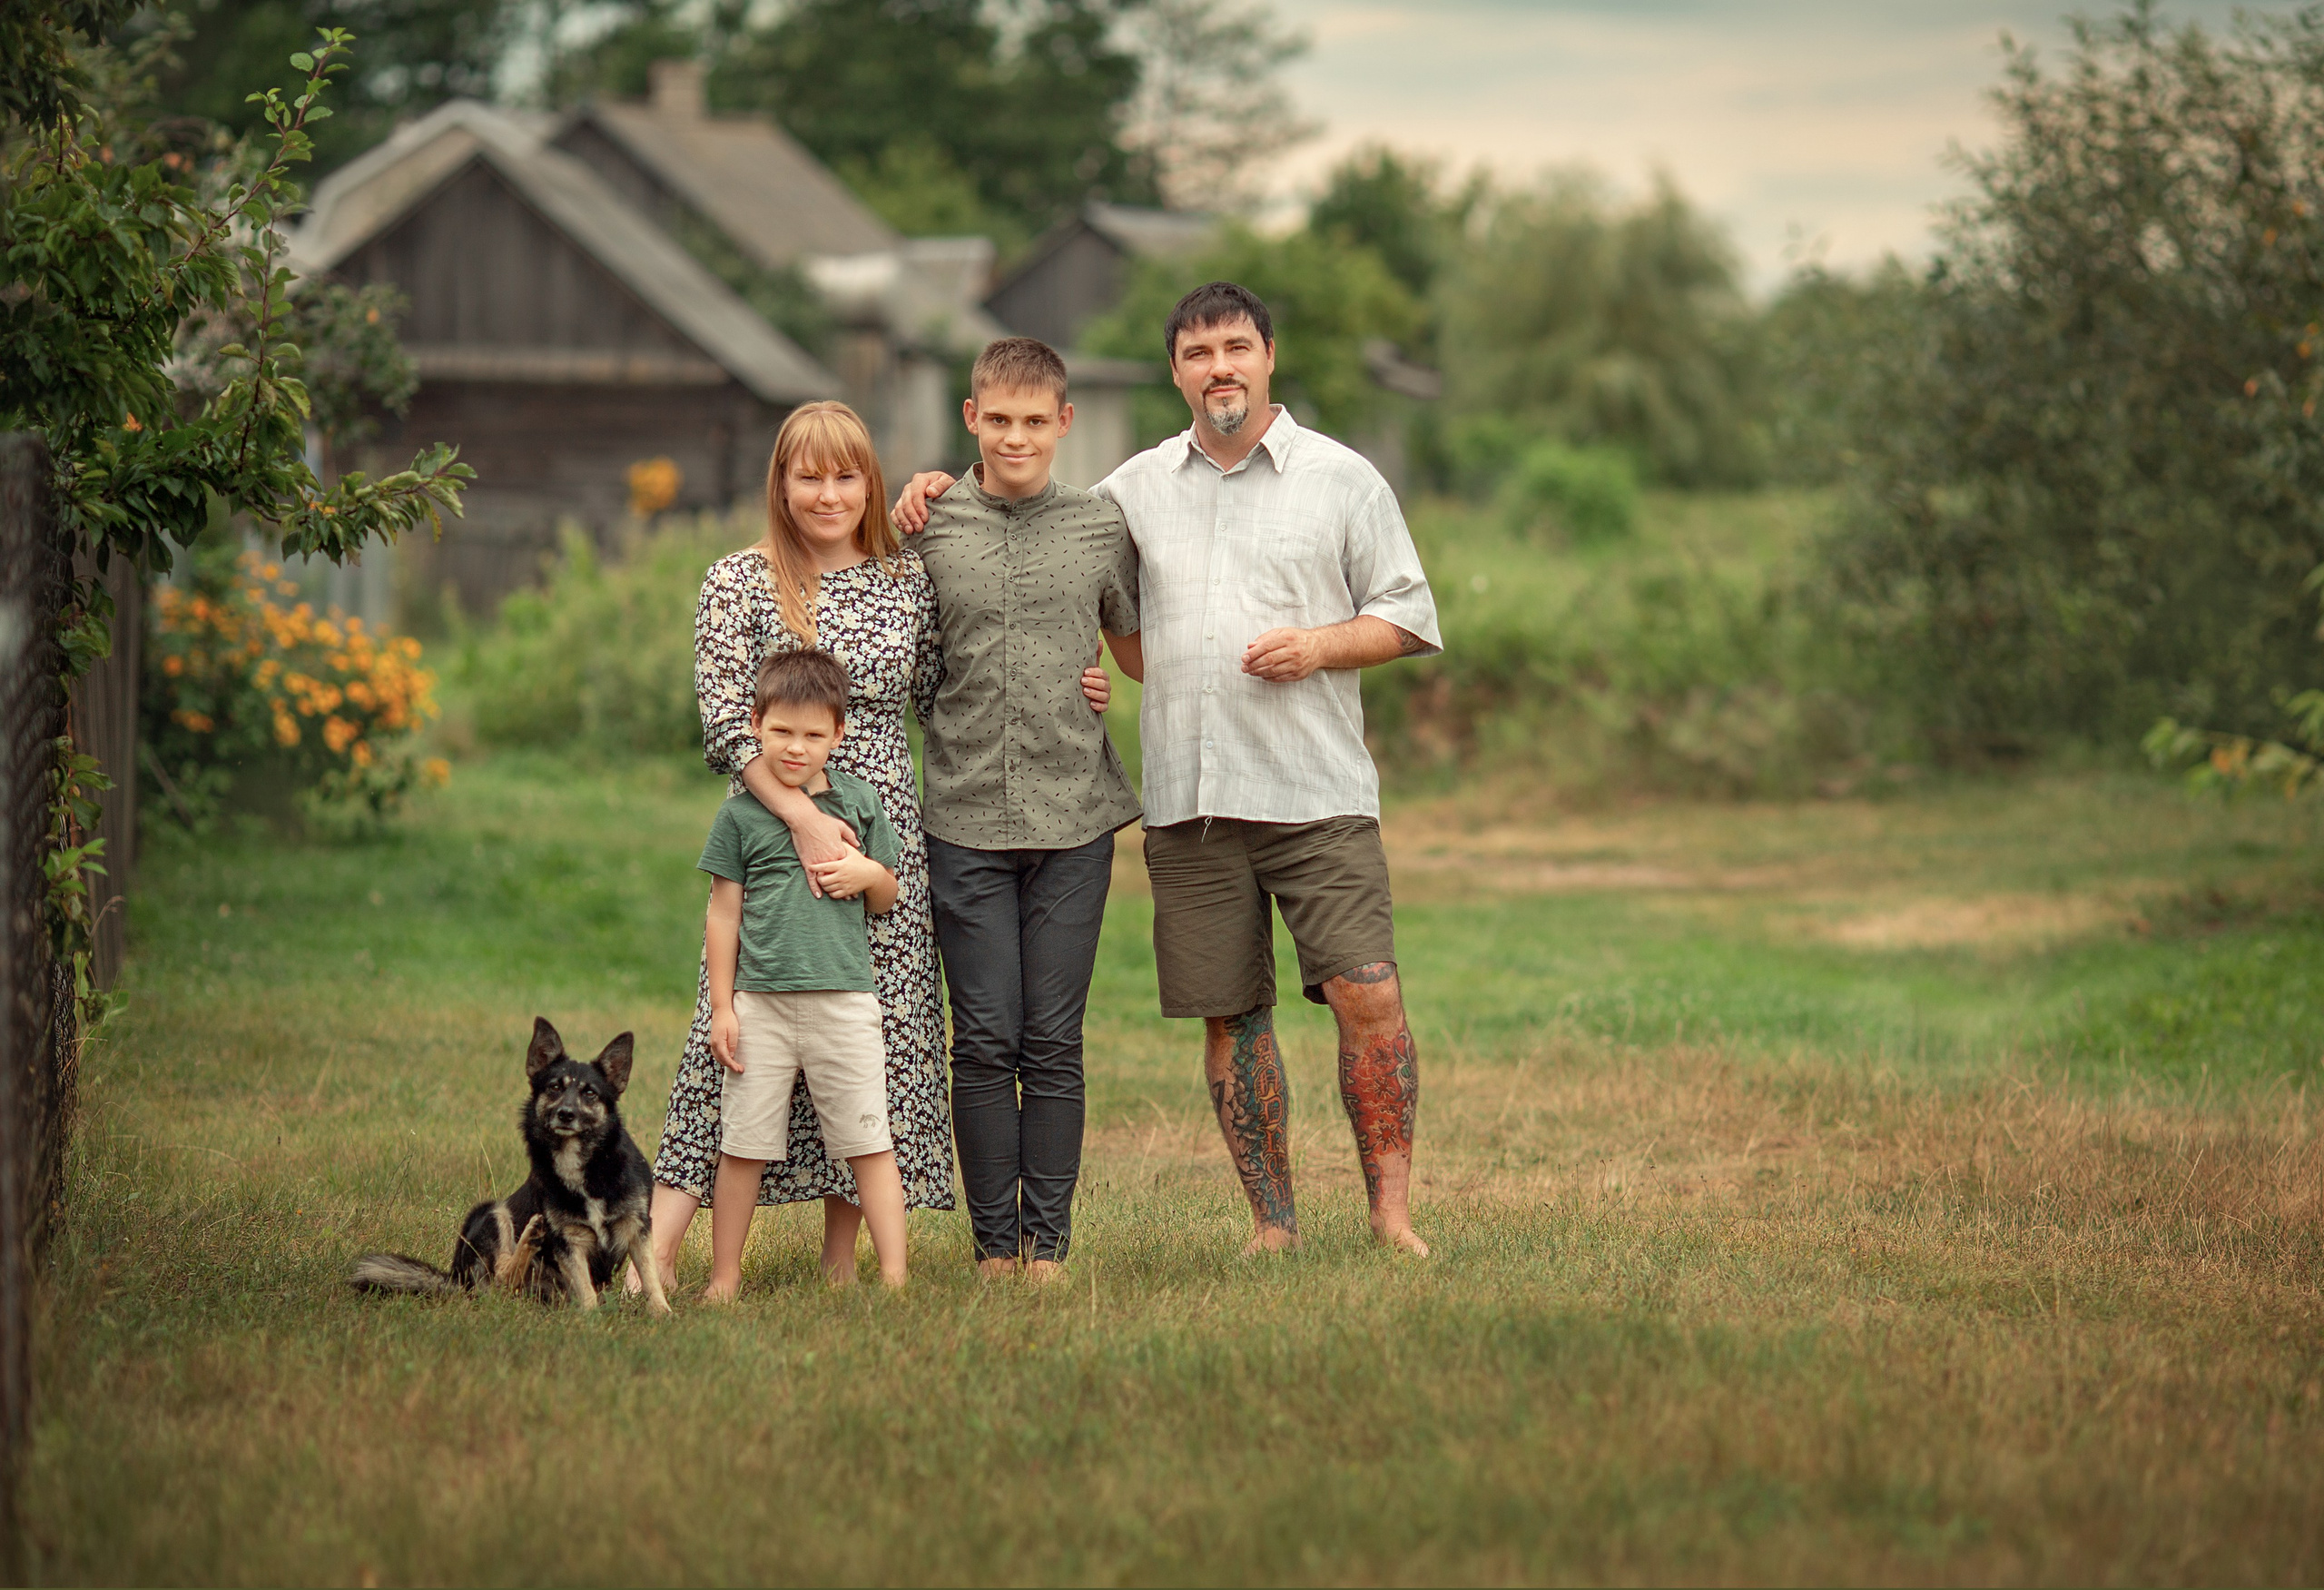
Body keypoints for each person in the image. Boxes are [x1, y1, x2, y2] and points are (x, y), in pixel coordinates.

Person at [897, 282, 1442, 1258]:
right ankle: (1273, 1224)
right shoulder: (1130, 491)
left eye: (1237, 346)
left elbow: (1407, 616)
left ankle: (1390, 1215)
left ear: (1270, 355)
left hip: (1315, 790)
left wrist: (1318, 646)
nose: (1219, 367)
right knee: (1230, 1015)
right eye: (1198, 353)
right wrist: (930, 491)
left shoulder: (1343, 477)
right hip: (1189, 800)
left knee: (1368, 991)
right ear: (1177, 371)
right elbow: (1093, 608)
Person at [639, 400, 954, 1293]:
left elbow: (941, 693)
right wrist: (805, 817)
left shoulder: (905, 579)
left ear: (871, 483)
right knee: (726, 1035)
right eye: (807, 475)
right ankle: (660, 1251)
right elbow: (722, 726)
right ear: (779, 481)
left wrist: (1076, 683)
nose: (827, 493)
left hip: (882, 835)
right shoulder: (739, 580)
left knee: (872, 1040)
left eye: (845, 475)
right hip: (771, 836)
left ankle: (841, 1257)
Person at [913, 336, 1143, 1280]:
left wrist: (1106, 684)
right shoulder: (925, 524)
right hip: (960, 816)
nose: (1016, 436)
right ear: (972, 417)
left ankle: (1046, 1245)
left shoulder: (1100, 527)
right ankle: (991, 1248)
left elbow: (1136, 652)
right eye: (998, 419)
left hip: (1074, 821)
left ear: (1063, 423)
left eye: (1034, 421)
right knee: (984, 1037)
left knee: (1052, 1039)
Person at [699, 648, 908, 1295]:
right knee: (743, 1145)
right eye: (782, 730)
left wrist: (869, 873)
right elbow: (723, 913)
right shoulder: (739, 815)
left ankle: (896, 1276)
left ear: (838, 735)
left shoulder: (860, 803)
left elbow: (887, 896)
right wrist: (724, 1007)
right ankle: (725, 1277)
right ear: (756, 722)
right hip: (760, 1004)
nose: (797, 747)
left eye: (814, 734)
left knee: (869, 1141)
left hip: (846, 1002)